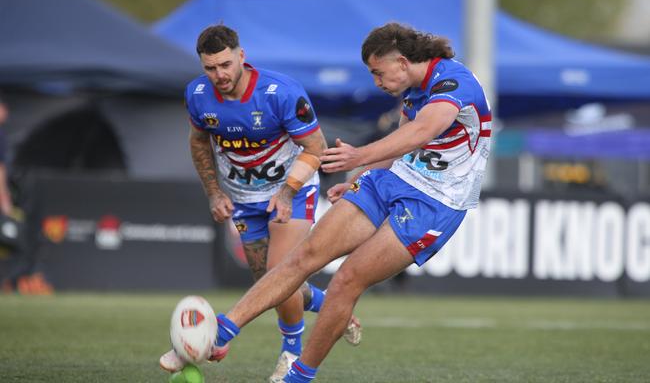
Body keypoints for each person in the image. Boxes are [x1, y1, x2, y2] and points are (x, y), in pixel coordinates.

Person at [205, 22, 492, 382]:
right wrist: (358, 178)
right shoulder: (413, 89)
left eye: (377, 72)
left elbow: (423, 131)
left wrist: (356, 158)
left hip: (436, 202)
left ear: (402, 63)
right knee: (303, 257)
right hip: (393, 180)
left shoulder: (455, 83)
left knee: (346, 280)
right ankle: (221, 330)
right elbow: (403, 141)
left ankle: (298, 377)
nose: (375, 82)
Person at [158, 25, 361, 382]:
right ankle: (333, 306)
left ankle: (290, 356)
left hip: (292, 190)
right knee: (268, 283)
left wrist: (285, 193)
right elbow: (199, 142)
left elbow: (316, 148)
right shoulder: (198, 95)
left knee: (280, 273)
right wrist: (214, 192)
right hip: (242, 198)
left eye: (225, 64)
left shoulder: (280, 93)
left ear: (241, 56)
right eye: (210, 68)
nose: (219, 74)